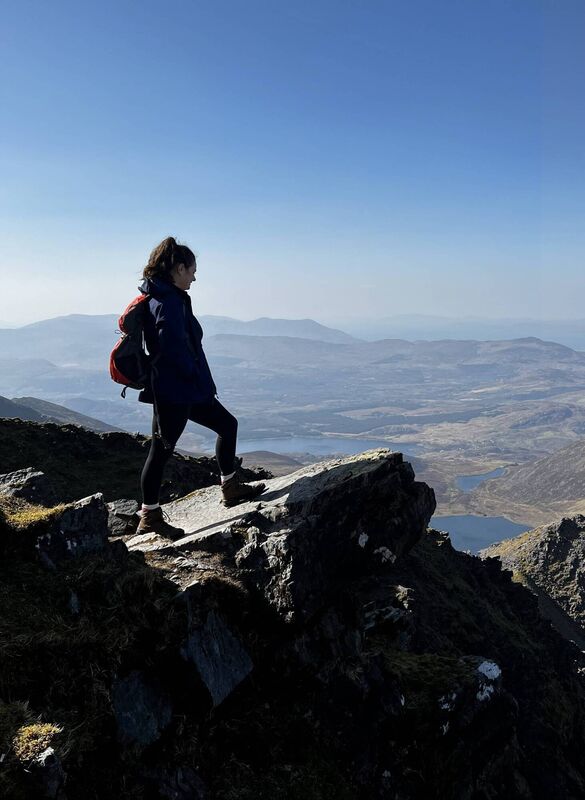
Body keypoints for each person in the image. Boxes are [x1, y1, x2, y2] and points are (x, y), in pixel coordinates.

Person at [136, 236, 265, 539]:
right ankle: (150, 517)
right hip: (175, 394)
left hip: (186, 390)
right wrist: (189, 374)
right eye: (192, 270)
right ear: (179, 268)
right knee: (161, 452)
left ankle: (230, 488)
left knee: (227, 425)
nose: (195, 276)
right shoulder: (167, 301)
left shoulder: (165, 296)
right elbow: (171, 347)